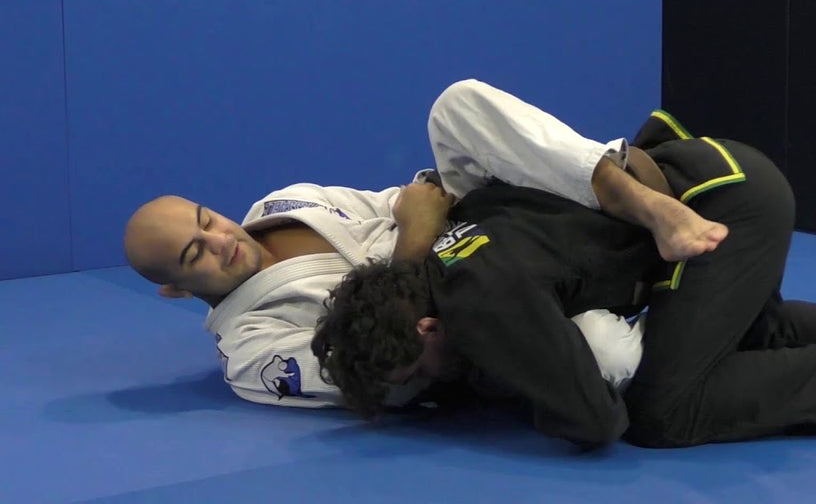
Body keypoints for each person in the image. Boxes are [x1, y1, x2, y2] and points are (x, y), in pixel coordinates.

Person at [313, 114, 816, 448]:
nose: (427, 386)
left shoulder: (479, 304)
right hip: (713, 179)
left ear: (427, 327)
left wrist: (517, 388)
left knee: (660, 409)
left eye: (417, 371)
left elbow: (595, 419)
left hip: (719, 214)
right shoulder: (448, 254)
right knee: (714, 338)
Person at [123, 79, 726, 408]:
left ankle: (639, 199)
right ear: (176, 290)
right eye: (194, 253)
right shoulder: (252, 353)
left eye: (206, 220)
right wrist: (415, 243)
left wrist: (421, 219)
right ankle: (683, 303)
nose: (219, 239)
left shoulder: (282, 203)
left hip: (477, 228)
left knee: (456, 107)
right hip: (476, 314)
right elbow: (384, 372)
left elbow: (412, 197)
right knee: (609, 360)